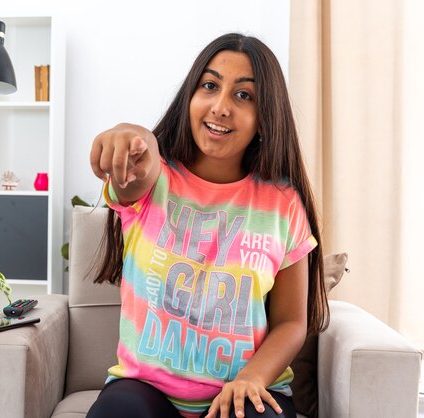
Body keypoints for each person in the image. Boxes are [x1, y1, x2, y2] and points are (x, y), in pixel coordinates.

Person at [87, 33, 329, 418]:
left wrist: (251, 377)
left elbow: (291, 322)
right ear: (190, 97)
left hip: (243, 393)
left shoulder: (283, 205)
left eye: (244, 95)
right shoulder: (154, 182)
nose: (221, 107)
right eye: (210, 86)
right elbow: (142, 156)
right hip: (146, 391)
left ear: (265, 117)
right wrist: (128, 134)